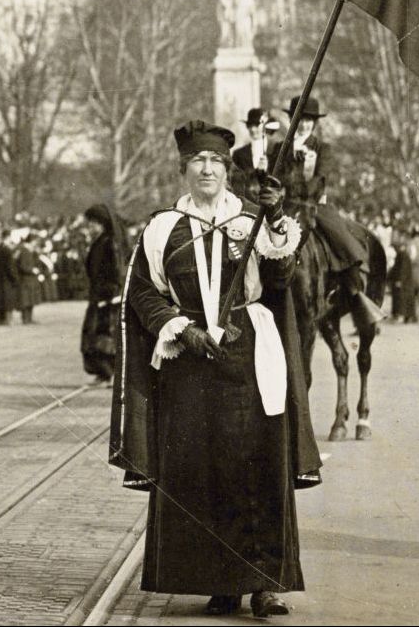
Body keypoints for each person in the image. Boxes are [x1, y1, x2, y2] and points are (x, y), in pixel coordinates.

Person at [112, 120, 319, 617]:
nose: (207, 169)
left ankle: (265, 583)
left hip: (249, 356)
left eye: (217, 163)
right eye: (198, 162)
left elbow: (280, 276)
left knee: (259, 466)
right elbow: (142, 291)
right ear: (183, 170)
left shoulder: (251, 222)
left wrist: (273, 216)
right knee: (202, 471)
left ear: (229, 171)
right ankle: (220, 582)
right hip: (190, 361)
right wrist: (180, 328)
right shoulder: (162, 228)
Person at [272, 95, 384, 334]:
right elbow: (274, 179)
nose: (304, 124)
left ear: (315, 123)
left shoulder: (323, 149)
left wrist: (305, 176)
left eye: (309, 120)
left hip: (314, 205)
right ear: (292, 119)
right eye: (300, 119)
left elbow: (320, 182)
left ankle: (354, 291)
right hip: (284, 206)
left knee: (342, 239)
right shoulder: (278, 149)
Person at [80, 204, 124, 384]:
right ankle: (103, 373)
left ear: (102, 224)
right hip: (98, 296)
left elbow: (116, 272)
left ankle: (109, 373)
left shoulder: (109, 244)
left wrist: (110, 293)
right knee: (94, 334)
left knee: (106, 335)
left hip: (108, 298)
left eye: (93, 224)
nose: (89, 228)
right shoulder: (98, 243)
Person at [229, 107, 283, 196]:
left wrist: (266, 171)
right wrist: (256, 172)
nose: (253, 129)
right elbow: (236, 183)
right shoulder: (239, 154)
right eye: (250, 125)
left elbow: (282, 181)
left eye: (256, 125)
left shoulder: (276, 150)